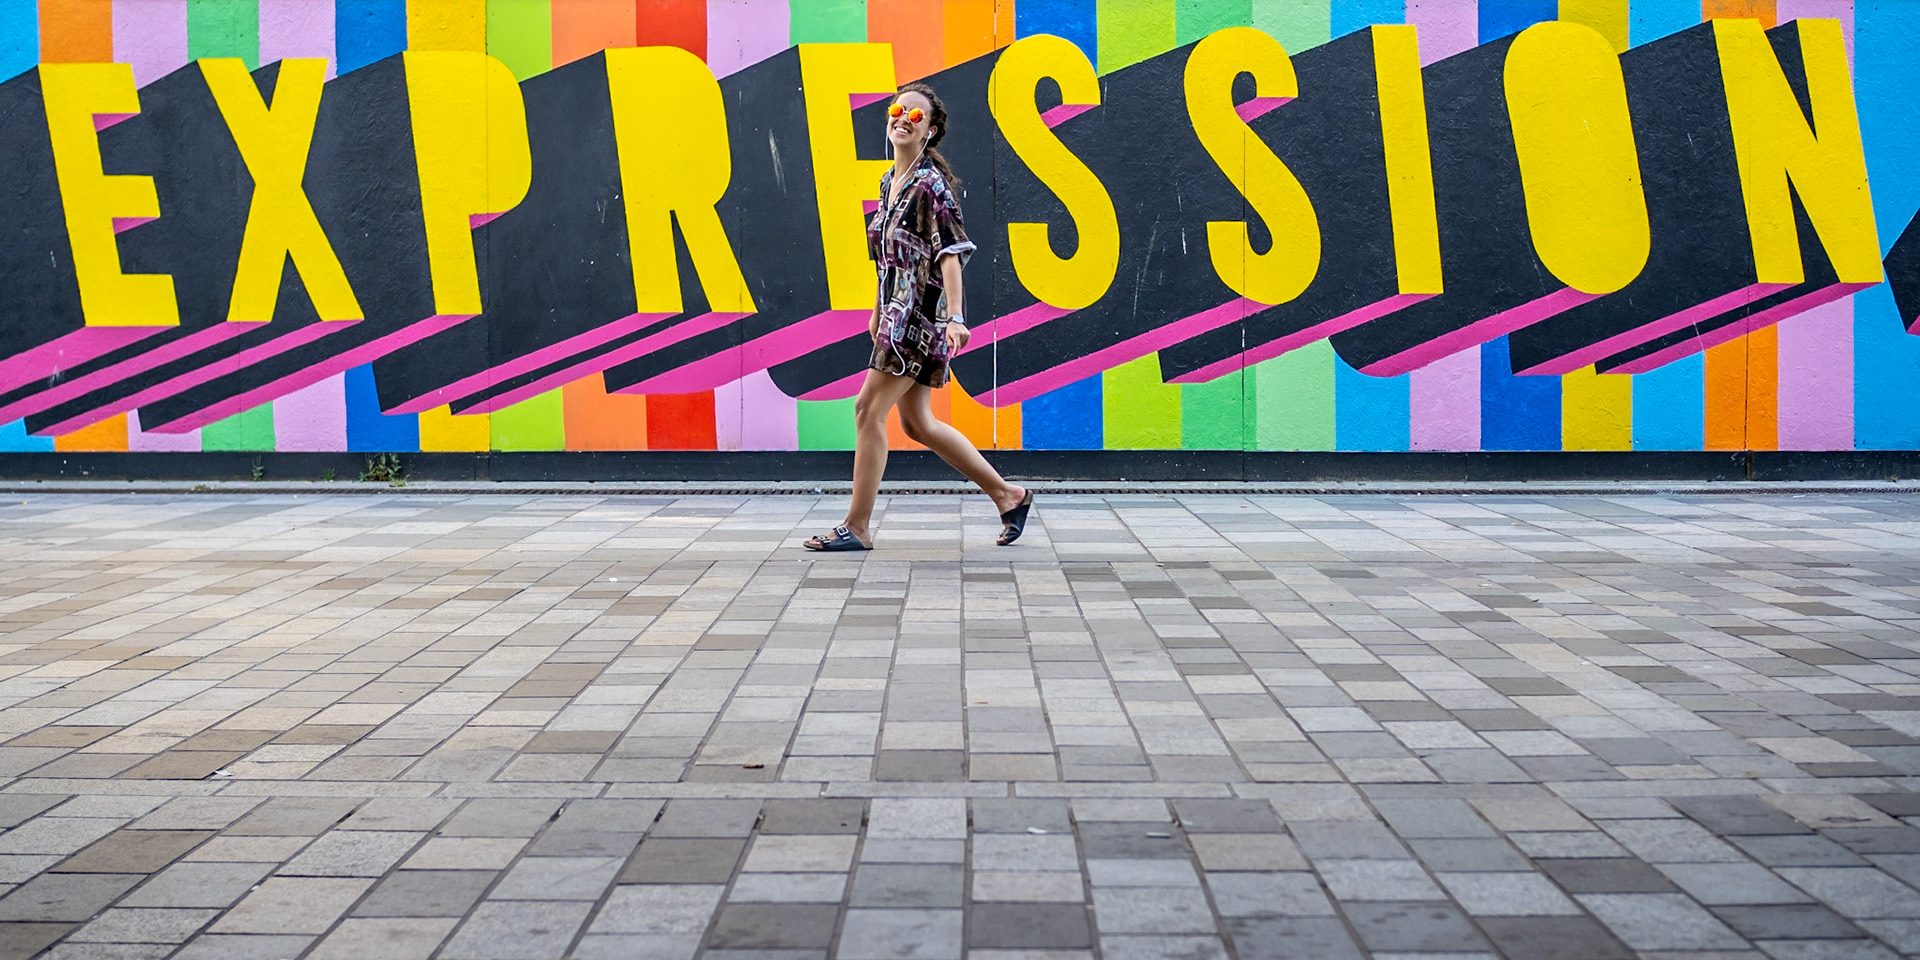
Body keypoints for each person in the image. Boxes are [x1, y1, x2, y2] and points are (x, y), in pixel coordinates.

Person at [804, 84, 1031, 552]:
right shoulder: (890, 183)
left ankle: (858, 526)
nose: (902, 118)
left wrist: (955, 318)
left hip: (919, 320)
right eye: (897, 110)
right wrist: (875, 308)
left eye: (915, 115)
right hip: (894, 315)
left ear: (929, 131)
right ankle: (1008, 495)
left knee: (867, 410)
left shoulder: (931, 186)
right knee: (917, 423)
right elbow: (889, 258)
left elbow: (949, 253)